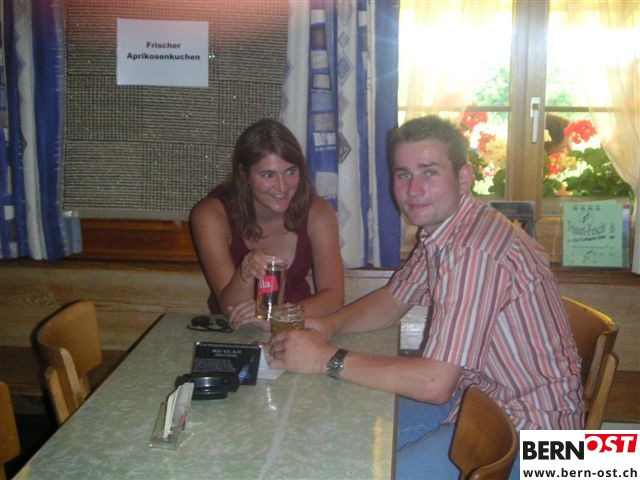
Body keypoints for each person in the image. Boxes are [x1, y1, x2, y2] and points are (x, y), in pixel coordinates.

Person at [268, 115, 584, 479]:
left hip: (536, 439)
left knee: (367, 467)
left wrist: (326, 359)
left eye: (430, 172)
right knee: (349, 431)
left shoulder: (474, 251)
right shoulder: (445, 230)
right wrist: (327, 326)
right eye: (403, 174)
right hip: (480, 400)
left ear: (464, 177)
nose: (414, 189)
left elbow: (435, 384)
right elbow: (391, 302)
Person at [190, 118, 344, 331]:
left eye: (290, 171)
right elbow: (231, 309)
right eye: (268, 175)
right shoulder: (211, 214)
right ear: (244, 175)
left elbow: (334, 298)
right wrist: (245, 272)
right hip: (232, 334)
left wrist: (276, 317)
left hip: (298, 329)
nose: (282, 187)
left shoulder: (318, 213)